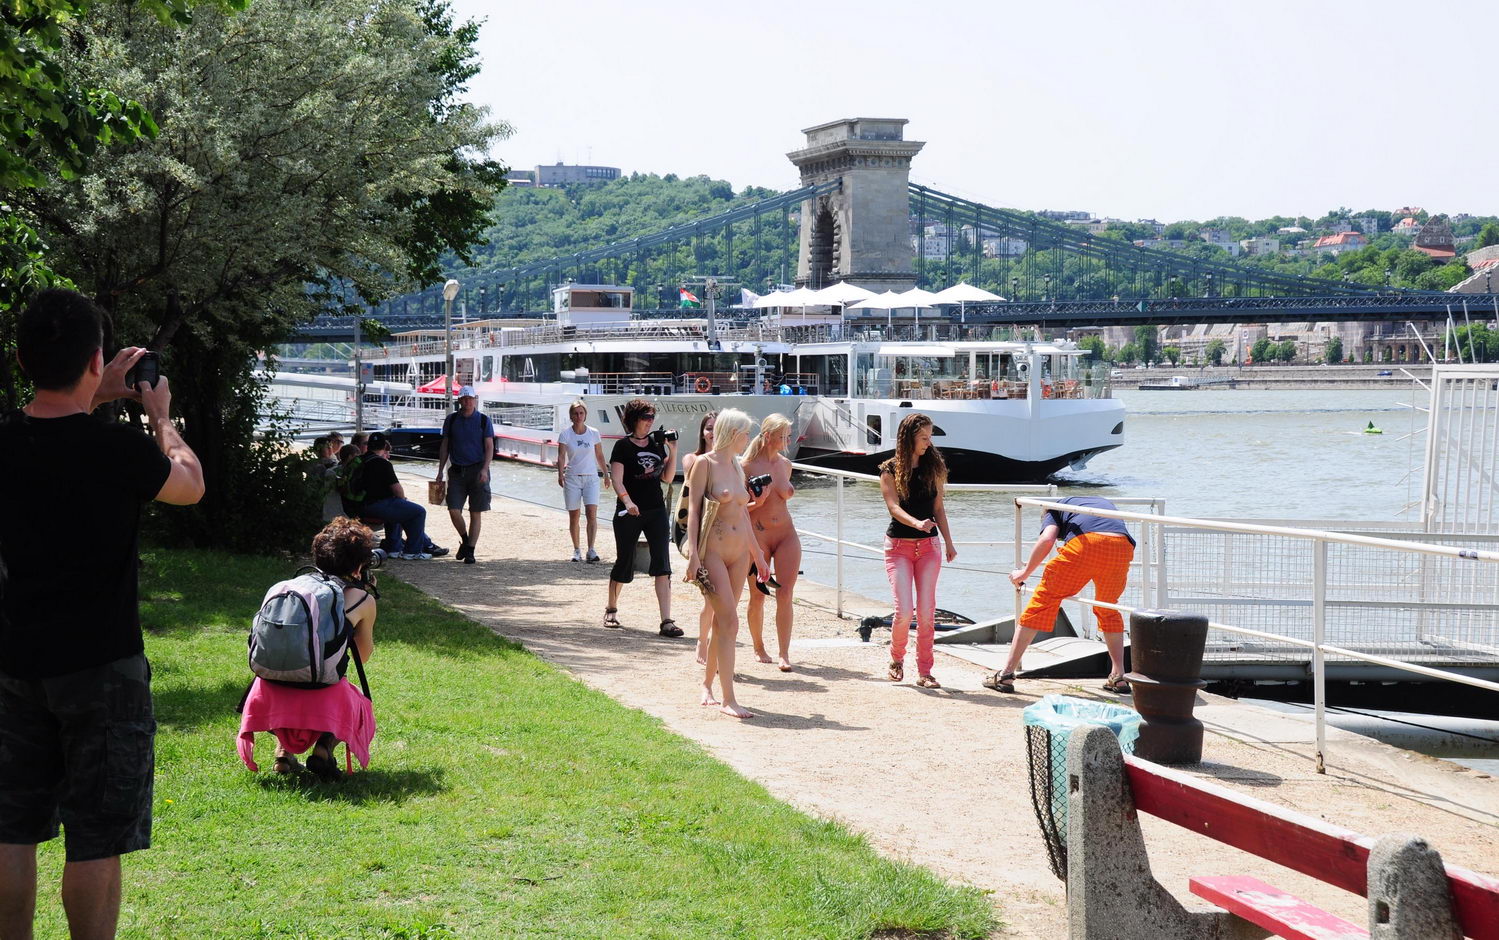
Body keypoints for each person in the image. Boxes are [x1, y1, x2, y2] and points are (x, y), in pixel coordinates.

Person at [0, 288, 204, 940]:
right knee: (96, 837)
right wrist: (160, 416)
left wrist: (91, 396)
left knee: (10, 829)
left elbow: (49, 437)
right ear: (96, 359)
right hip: (102, 666)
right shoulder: (118, 450)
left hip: (13, 661)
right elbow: (189, 485)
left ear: (22, 359)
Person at [237, 517, 379, 780]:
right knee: (352, 696)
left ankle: (283, 753)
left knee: (292, 678)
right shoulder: (361, 599)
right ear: (359, 566)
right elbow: (362, 656)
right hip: (320, 693)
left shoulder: (288, 587)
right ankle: (324, 748)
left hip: (264, 691)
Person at [986, 496, 1135, 694]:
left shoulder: (1053, 509)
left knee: (1042, 602)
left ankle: (1006, 674)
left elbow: (1047, 539)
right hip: (1121, 547)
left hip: (1085, 545)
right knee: (1107, 607)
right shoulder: (1095, 502)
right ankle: (1119, 676)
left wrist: (1024, 573)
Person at [684, 409, 768, 718]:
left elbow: (743, 513)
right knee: (730, 621)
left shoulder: (736, 465)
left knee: (722, 623)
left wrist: (758, 554)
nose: (748, 438)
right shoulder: (704, 464)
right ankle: (728, 699)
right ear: (733, 433)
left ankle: (707, 686)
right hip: (713, 552)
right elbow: (693, 511)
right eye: (745, 433)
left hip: (739, 553)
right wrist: (693, 554)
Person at [878, 413, 957, 689]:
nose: (928, 442)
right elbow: (893, 507)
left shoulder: (933, 467)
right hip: (898, 547)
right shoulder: (889, 469)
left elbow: (938, 509)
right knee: (904, 611)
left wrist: (949, 542)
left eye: (929, 437)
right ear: (909, 438)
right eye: (924, 437)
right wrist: (916, 523)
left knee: (926, 612)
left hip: (929, 548)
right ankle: (896, 659)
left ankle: (925, 671)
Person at [604, 399, 678, 636]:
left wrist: (673, 450)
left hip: (656, 510)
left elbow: (667, 478)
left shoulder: (656, 444)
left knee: (662, 563)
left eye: (652, 417)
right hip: (629, 511)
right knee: (625, 561)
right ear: (634, 419)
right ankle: (611, 608)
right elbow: (617, 480)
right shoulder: (623, 446)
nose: (650, 421)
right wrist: (627, 501)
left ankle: (666, 621)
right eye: (646, 417)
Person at [744, 413, 800, 672]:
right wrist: (759, 501)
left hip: (786, 534)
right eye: (782, 436)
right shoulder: (746, 466)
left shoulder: (786, 464)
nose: (787, 440)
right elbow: (739, 509)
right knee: (758, 596)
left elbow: (784, 496)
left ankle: (784, 653)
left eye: (788, 435)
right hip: (759, 536)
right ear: (768, 436)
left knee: (785, 593)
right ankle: (758, 647)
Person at [434, 386, 494, 564]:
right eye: (464, 398)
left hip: (478, 469)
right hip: (457, 470)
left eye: (470, 398)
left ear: (475, 399)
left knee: (476, 511)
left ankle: (470, 551)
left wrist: (485, 469)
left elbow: (489, 446)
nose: (467, 401)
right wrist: (440, 470)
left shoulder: (483, 420)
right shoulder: (452, 420)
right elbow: (445, 446)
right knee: (453, 509)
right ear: (459, 400)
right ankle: (465, 540)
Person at [679, 411, 717, 665]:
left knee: (722, 600)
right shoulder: (692, 460)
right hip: (703, 533)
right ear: (702, 432)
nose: (712, 433)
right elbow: (696, 500)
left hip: (724, 534)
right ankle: (703, 641)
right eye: (709, 428)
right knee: (711, 598)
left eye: (717, 428)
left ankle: (714, 647)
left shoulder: (731, 462)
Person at [359, 433, 432, 560]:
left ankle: (394, 548)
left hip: (358, 504)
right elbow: (397, 489)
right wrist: (403, 500)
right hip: (375, 506)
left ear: (368, 446)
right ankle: (412, 551)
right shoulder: (383, 463)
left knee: (398, 507)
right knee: (418, 511)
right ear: (384, 446)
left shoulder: (359, 460)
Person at [556, 399, 609, 563]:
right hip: (572, 478)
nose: (579, 416)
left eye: (581, 413)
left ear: (585, 415)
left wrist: (606, 474)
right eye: (575, 413)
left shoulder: (593, 433)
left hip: (591, 478)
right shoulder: (565, 434)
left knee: (592, 513)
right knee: (574, 516)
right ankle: (576, 549)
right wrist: (560, 474)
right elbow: (561, 456)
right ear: (571, 416)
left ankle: (591, 549)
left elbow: (599, 455)